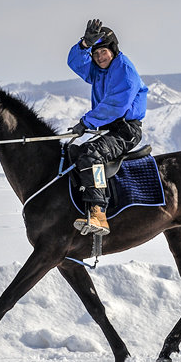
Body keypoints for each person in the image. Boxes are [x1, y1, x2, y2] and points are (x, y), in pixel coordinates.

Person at [67, 18, 148, 236]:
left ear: (113, 50)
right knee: (73, 153)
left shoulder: (124, 71)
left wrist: (86, 122)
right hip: (110, 129)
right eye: (95, 53)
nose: (99, 57)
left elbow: (116, 106)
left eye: (103, 52)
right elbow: (75, 63)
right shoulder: (98, 70)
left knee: (92, 155)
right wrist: (84, 45)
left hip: (126, 131)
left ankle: (99, 212)